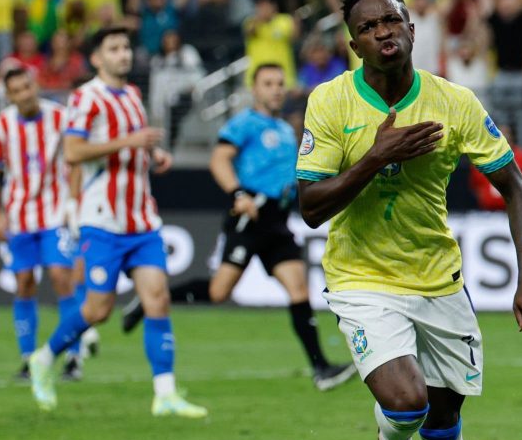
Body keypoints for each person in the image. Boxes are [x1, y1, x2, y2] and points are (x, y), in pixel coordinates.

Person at [296, 0, 522, 440]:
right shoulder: (330, 103)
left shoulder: (454, 102)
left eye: (392, 20)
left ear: (412, 28)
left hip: (438, 280)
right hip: (361, 277)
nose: (383, 31)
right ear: (354, 44)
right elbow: (310, 205)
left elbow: (514, 187)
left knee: (443, 424)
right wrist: (377, 156)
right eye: (367, 26)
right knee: (407, 400)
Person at [122, 63, 355, 392]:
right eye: (268, 83)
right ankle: (150, 300)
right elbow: (219, 158)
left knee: (299, 289)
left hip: (277, 220)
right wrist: (238, 194)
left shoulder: (287, 129)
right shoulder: (245, 122)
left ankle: (321, 368)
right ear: (254, 89)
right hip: (250, 215)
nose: (276, 89)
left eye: (279, 83)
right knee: (219, 292)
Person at [26, 27, 208, 419]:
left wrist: (154, 155)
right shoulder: (85, 97)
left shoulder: (132, 95)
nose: (123, 54)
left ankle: (165, 394)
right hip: (102, 222)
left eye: (126, 47)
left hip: (141, 219)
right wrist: (128, 143)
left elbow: (134, 144)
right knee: (98, 309)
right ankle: (45, 357)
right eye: (114, 48)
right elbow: (73, 151)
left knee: (157, 299)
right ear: (97, 58)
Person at [0, 68, 92, 381]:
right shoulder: (0, 127)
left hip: (56, 213)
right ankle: (29, 359)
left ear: (36, 84)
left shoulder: (60, 117)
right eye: (16, 90)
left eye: (27, 86)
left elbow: (76, 164)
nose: (24, 94)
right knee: (24, 282)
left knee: (61, 276)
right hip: (18, 216)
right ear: (10, 96)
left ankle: (73, 357)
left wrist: (73, 201)